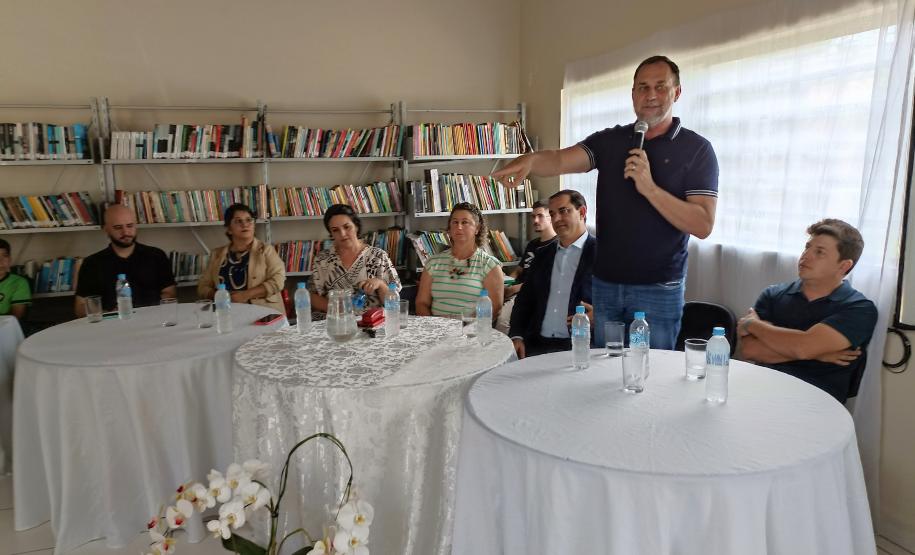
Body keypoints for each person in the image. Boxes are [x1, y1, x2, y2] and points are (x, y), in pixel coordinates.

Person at [493, 55, 719, 349]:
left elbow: (703, 224)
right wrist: (531, 160)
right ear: (633, 94)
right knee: (604, 369)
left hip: (658, 289)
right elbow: (560, 159)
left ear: (677, 92)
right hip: (606, 286)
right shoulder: (611, 140)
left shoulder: (697, 149)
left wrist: (650, 188)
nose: (650, 95)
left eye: (660, 86)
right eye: (642, 87)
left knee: (651, 371)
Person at [737, 219, 878, 404]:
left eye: (819, 252)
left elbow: (803, 348)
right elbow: (750, 350)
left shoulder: (860, 309)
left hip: (819, 406)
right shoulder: (773, 294)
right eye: (807, 247)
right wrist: (819, 354)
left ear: (844, 266)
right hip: (763, 395)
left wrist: (752, 324)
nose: (806, 256)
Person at [509, 190, 596, 358]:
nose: (556, 219)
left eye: (563, 211)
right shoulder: (542, 254)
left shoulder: (603, 254)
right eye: (552, 214)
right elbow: (524, 300)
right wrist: (517, 335)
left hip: (580, 347)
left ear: (582, 212)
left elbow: (624, 300)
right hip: (536, 346)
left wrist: (601, 316)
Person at [75, 204, 176, 316]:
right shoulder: (92, 263)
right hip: (110, 323)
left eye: (130, 226)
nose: (125, 232)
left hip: (152, 319)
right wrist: (108, 314)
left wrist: (147, 312)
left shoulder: (156, 256)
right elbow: (80, 306)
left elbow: (169, 294)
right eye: (118, 227)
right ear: (106, 229)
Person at [415, 202, 504, 318]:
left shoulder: (490, 265)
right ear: (449, 228)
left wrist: (466, 326)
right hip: (436, 326)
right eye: (455, 222)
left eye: (465, 222)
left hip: (472, 327)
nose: (459, 227)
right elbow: (421, 303)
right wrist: (434, 325)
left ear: (477, 228)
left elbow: (495, 308)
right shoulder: (433, 263)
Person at [309, 204, 401, 312]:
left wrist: (380, 284)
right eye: (335, 230)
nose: (342, 234)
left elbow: (394, 303)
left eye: (347, 227)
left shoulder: (378, 256)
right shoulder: (322, 259)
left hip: (371, 320)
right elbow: (313, 295)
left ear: (356, 226)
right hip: (335, 319)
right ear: (331, 233)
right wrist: (337, 309)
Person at [198, 203, 286, 314]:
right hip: (226, 312)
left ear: (254, 225)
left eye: (249, 220)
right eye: (238, 221)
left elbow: (278, 281)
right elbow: (203, 286)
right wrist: (219, 295)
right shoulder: (217, 254)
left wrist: (245, 295)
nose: (245, 224)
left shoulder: (266, 250)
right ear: (229, 229)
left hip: (263, 312)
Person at [496, 200, 556, 333]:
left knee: (502, 322)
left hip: (528, 292)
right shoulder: (533, 244)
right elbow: (519, 270)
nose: (535, 220)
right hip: (515, 289)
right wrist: (507, 281)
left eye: (540, 216)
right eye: (533, 216)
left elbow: (545, 281)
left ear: (551, 217)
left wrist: (514, 289)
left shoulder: (556, 246)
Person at [0, 239, 31, 320]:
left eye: (5, 256)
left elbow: (15, 318)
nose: (1, 262)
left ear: (10, 259)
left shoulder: (19, 282)